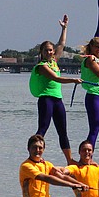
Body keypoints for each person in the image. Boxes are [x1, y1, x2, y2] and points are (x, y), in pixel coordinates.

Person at [29, 15, 83, 165]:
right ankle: (35, 156)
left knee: (62, 131)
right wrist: (73, 80)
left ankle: (69, 160)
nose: (50, 53)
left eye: (51, 50)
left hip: (57, 100)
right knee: (43, 128)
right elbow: (56, 78)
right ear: (41, 52)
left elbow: (62, 43)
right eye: (46, 51)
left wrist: (64, 28)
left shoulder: (54, 61)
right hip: (46, 99)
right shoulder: (42, 67)